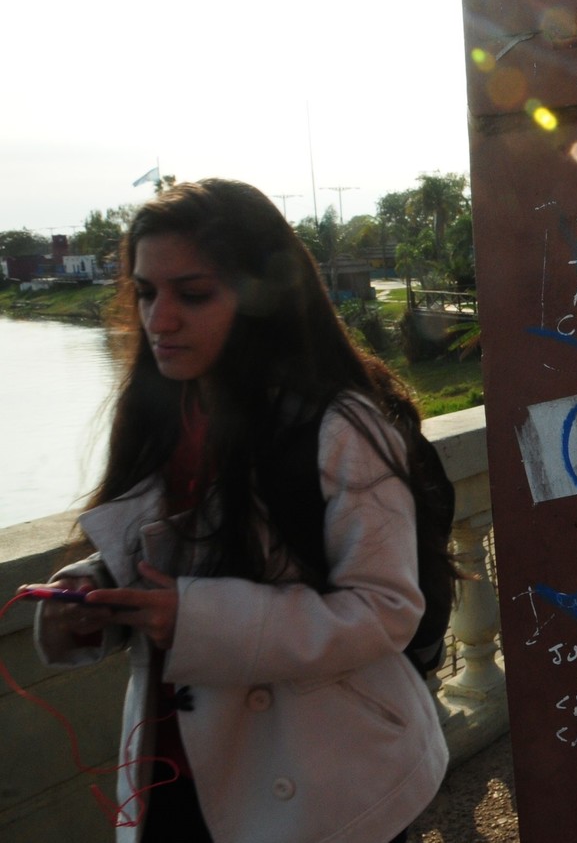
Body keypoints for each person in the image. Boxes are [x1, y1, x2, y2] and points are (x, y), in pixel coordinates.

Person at [19, 179, 450, 843]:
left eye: (192, 294)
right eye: (145, 291)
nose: (159, 318)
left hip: (316, 784)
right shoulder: (163, 412)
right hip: (177, 769)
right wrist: (99, 588)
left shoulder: (339, 425)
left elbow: (385, 608)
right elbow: (182, 547)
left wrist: (196, 617)